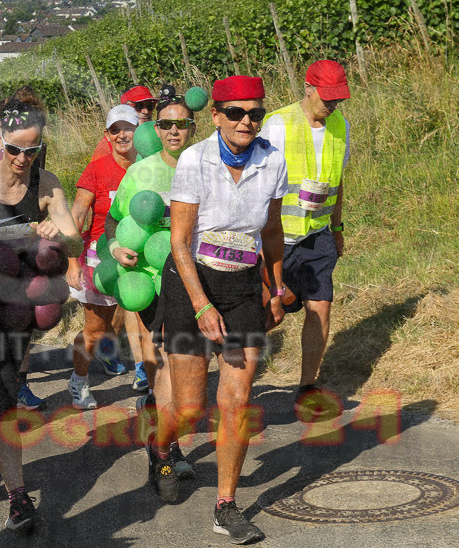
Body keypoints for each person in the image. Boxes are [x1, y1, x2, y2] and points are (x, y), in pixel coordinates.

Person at [158, 75, 287, 543]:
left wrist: (275, 287)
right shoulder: (195, 160)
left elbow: (271, 232)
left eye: (254, 112)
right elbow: (178, 242)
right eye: (235, 113)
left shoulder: (272, 158)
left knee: (235, 401)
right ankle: (162, 444)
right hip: (192, 281)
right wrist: (199, 304)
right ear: (216, 116)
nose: (246, 121)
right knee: (190, 409)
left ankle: (225, 506)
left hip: (242, 287)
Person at [0, 98, 83, 534]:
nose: (23, 159)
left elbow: (76, 242)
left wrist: (61, 237)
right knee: (4, 395)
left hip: (21, 308)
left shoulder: (46, 184)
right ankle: (18, 498)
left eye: (32, 150)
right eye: (15, 149)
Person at [106, 92, 199, 492]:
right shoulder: (139, 174)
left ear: (193, 128)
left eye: (181, 123)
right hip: (152, 283)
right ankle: (164, 453)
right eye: (165, 124)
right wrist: (115, 249)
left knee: (187, 374)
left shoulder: (205, 166)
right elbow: (111, 224)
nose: (173, 130)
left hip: (195, 281)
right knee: (161, 366)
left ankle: (163, 438)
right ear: (155, 129)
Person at [260, 59, 350, 412]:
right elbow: (259, 184)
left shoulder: (341, 125)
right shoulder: (278, 124)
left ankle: (306, 386)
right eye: (326, 98)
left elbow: (338, 182)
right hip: (277, 237)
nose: (331, 106)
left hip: (318, 234)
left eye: (338, 100)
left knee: (321, 308)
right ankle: (230, 361)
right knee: (271, 312)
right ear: (308, 88)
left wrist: (338, 228)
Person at [65, 104, 140, 409]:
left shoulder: (150, 166)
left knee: (142, 324)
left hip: (140, 256)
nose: (122, 134)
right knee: (96, 329)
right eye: (115, 129)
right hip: (99, 257)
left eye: (129, 127)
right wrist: (71, 261)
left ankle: (146, 377)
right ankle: (78, 381)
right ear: (107, 136)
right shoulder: (97, 169)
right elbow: (77, 214)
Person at [90, 85, 158, 162]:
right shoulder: (110, 143)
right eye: (139, 106)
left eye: (150, 106)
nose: (145, 111)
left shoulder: (159, 134)